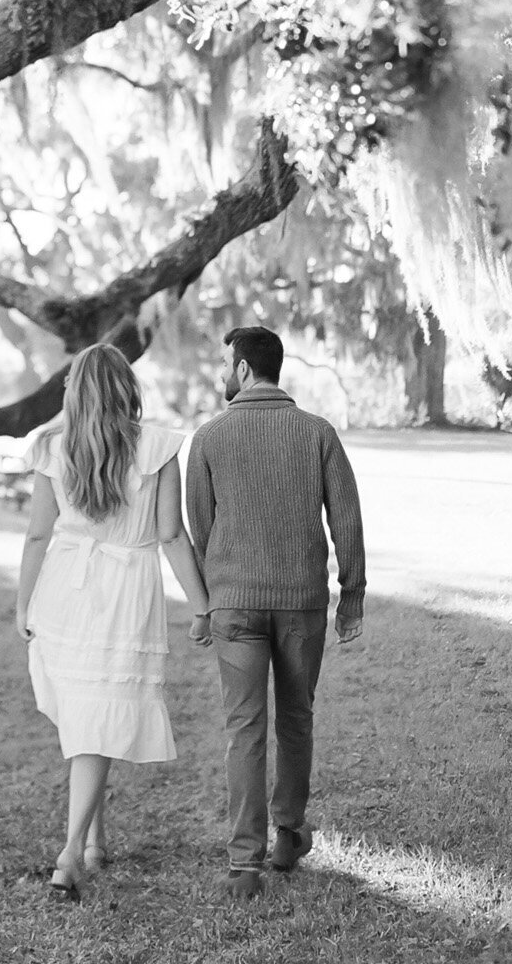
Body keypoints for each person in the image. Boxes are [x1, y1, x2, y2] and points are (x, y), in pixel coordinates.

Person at [15, 342, 213, 902]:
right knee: (93, 714)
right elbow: (172, 536)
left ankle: (93, 841)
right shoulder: (154, 448)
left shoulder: (54, 448)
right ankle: (71, 853)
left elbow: (37, 535)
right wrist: (201, 604)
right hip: (122, 591)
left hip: (65, 589)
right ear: (127, 388)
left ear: (74, 391)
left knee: (90, 713)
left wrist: (23, 602)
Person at [185, 323, 367, 902]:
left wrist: (215, 596)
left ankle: (245, 865)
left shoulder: (209, 437)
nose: (219, 374)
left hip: (234, 604)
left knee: (244, 729)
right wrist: (352, 594)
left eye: (222, 364)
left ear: (242, 369)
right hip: (301, 603)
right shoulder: (317, 433)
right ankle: (288, 835)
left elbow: (201, 530)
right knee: (295, 719)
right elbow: (347, 519)